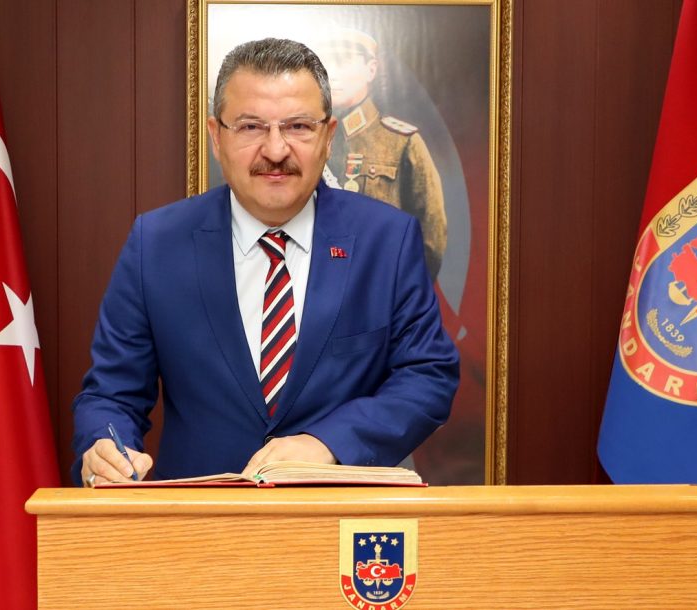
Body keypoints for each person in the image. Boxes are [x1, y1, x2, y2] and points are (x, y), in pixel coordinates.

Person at [71, 38, 459, 486]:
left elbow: (427, 376)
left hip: (343, 513)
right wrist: (105, 447)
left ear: (328, 136)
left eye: (298, 126)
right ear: (217, 137)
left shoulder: (387, 240)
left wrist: (329, 443)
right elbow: (111, 394)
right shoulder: (156, 244)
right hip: (199, 518)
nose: (275, 151)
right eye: (251, 127)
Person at [319, 29, 447, 279]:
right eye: (326, 63)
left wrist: (403, 291)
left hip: (381, 287)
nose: (332, 73)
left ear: (371, 69)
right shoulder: (307, 140)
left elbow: (432, 237)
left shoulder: (401, 142)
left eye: (343, 61)